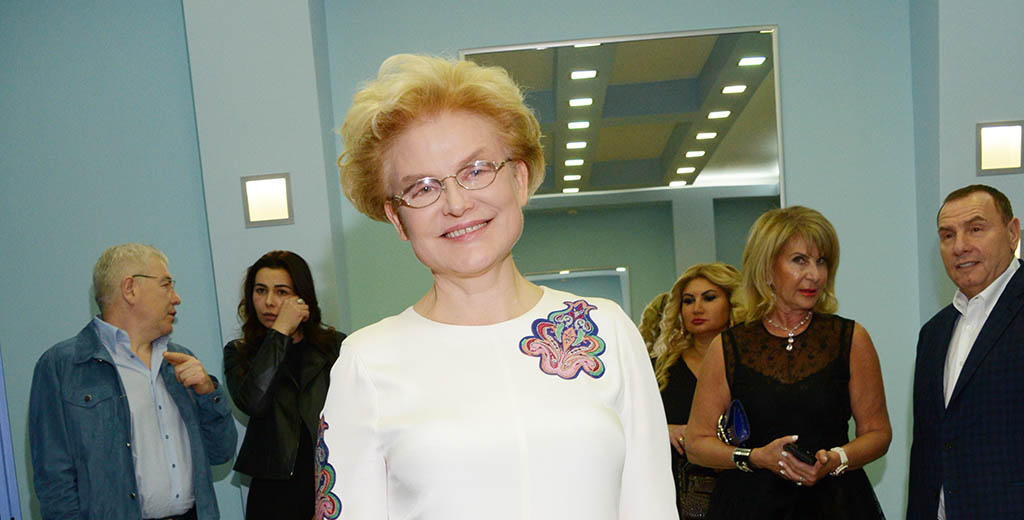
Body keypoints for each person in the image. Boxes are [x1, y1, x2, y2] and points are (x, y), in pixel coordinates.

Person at [316, 54, 676, 520]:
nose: (456, 203)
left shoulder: (606, 330)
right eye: (422, 188)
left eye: (475, 170)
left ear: (519, 180)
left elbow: (651, 506)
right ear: (398, 219)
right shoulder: (367, 362)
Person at [685, 206, 891, 519]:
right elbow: (697, 444)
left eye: (821, 261)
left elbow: (878, 433)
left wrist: (837, 458)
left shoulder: (850, 338)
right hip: (749, 507)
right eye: (799, 260)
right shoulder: (728, 347)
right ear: (767, 269)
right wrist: (755, 457)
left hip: (835, 506)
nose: (815, 275)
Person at [29, 243, 237, 519]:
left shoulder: (180, 360)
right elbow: (54, 482)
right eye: (166, 285)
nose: (176, 298)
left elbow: (221, 453)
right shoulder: (62, 366)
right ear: (130, 289)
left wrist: (208, 393)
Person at [908, 184, 1024, 519]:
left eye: (975, 229)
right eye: (947, 235)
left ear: (1012, 233)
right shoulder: (933, 333)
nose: (960, 246)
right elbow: (927, 449)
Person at [224, 250, 346, 519]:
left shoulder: (334, 346)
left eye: (281, 292)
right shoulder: (240, 351)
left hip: (330, 478)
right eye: (260, 291)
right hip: (273, 490)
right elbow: (253, 402)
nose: (268, 302)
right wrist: (280, 332)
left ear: (302, 298)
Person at [649, 263, 740, 517]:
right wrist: (664, 430)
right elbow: (628, 424)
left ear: (732, 303)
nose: (697, 308)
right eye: (688, 301)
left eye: (709, 298)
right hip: (675, 491)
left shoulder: (752, 364)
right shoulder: (658, 368)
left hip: (743, 489)